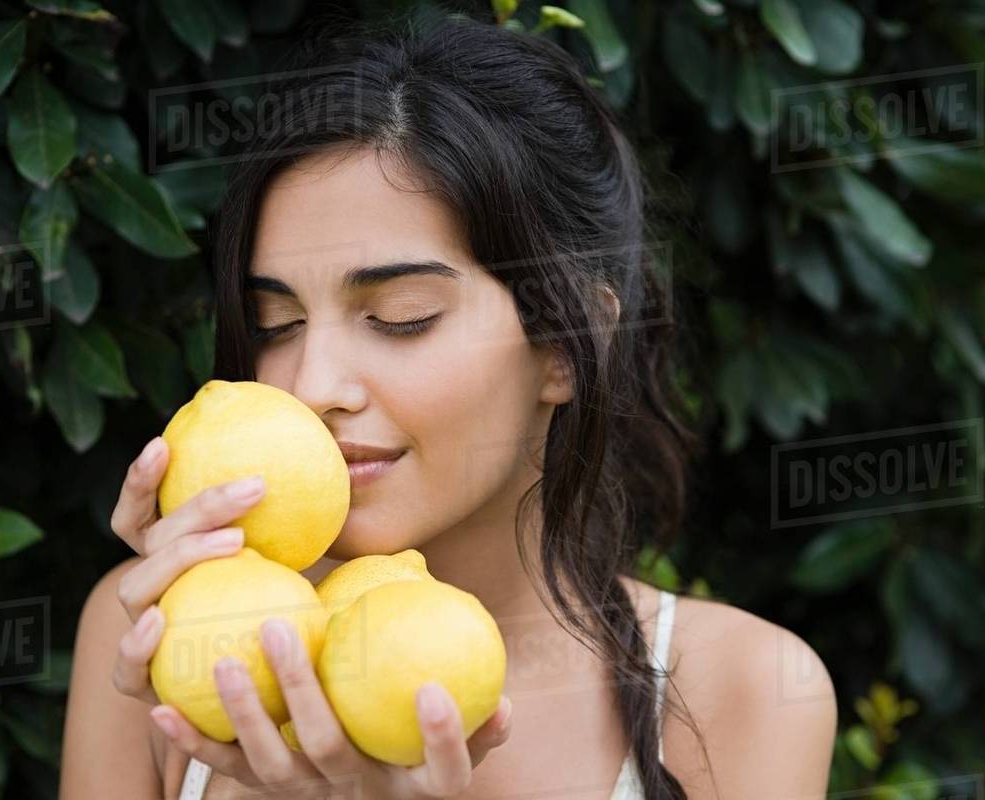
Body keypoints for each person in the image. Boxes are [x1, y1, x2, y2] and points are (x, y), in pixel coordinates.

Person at [60, 12, 836, 799]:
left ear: (568, 345)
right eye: (276, 324)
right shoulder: (155, 638)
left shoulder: (743, 690)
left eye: (402, 318)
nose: (312, 384)